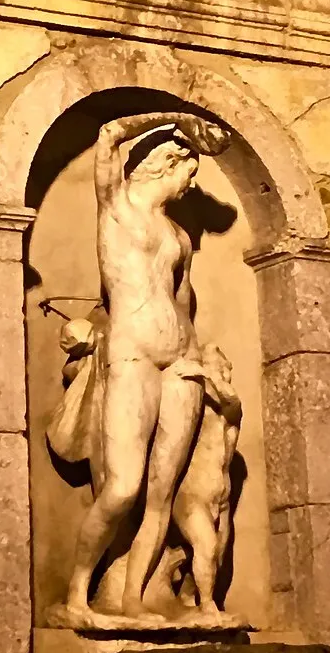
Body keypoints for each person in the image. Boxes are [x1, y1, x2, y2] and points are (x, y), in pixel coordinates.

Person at [48, 111, 243, 623]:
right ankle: (77, 595)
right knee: (123, 487)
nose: (191, 184)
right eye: (189, 172)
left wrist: (197, 361)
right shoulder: (115, 206)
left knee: (163, 492)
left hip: (180, 360)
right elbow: (108, 134)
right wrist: (178, 118)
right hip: (132, 354)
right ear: (165, 163)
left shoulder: (177, 236)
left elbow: (183, 303)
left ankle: (133, 598)